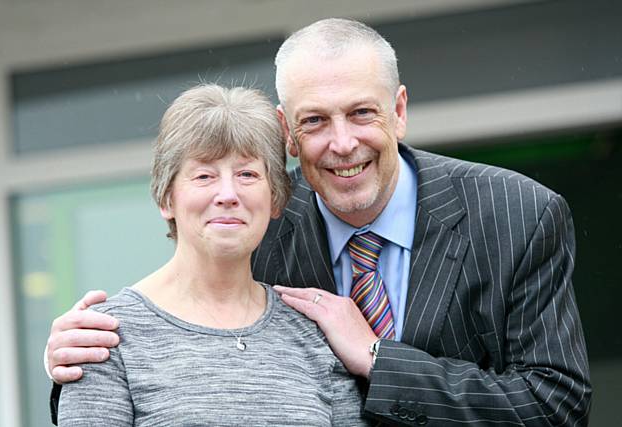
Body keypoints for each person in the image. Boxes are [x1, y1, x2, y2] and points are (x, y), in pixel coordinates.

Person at [46, 18, 591, 426]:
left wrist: (381, 361)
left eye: (361, 112)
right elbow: (179, 330)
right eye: (315, 120)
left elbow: (556, 404)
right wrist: (78, 366)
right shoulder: (259, 223)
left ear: (398, 110)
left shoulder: (518, 214)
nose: (342, 142)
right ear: (286, 131)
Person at [55, 83, 372, 426]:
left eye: (247, 174)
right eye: (204, 175)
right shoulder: (102, 337)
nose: (227, 194)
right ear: (166, 199)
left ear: (276, 198)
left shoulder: (313, 331)